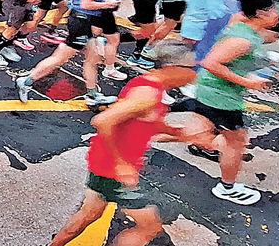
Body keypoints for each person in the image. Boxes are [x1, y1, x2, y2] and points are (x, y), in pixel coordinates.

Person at [49, 44, 199, 246]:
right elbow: (102, 121)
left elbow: (142, 121)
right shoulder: (147, 93)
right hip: (112, 170)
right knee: (149, 228)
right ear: (171, 67)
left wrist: (176, 133)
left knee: (88, 215)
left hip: (106, 165)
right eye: (191, 69)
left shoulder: (152, 87)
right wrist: (120, 164)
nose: (194, 75)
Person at [175, 0, 279, 205]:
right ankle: (227, 187)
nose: (278, 14)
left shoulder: (243, 22)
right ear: (261, 13)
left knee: (201, 131)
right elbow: (210, 62)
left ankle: (138, 134)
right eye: (274, 10)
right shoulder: (243, 40)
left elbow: (240, 23)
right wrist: (248, 82)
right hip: (220, 95)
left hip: (212, 89)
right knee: (237, 142)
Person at [16, 0, 120, 107]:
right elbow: (87, 3)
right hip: (82, 19)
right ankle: (26, 81)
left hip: (80, 19)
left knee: (93, 58)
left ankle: (93, 95)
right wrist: (107, 3)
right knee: (60, 58)